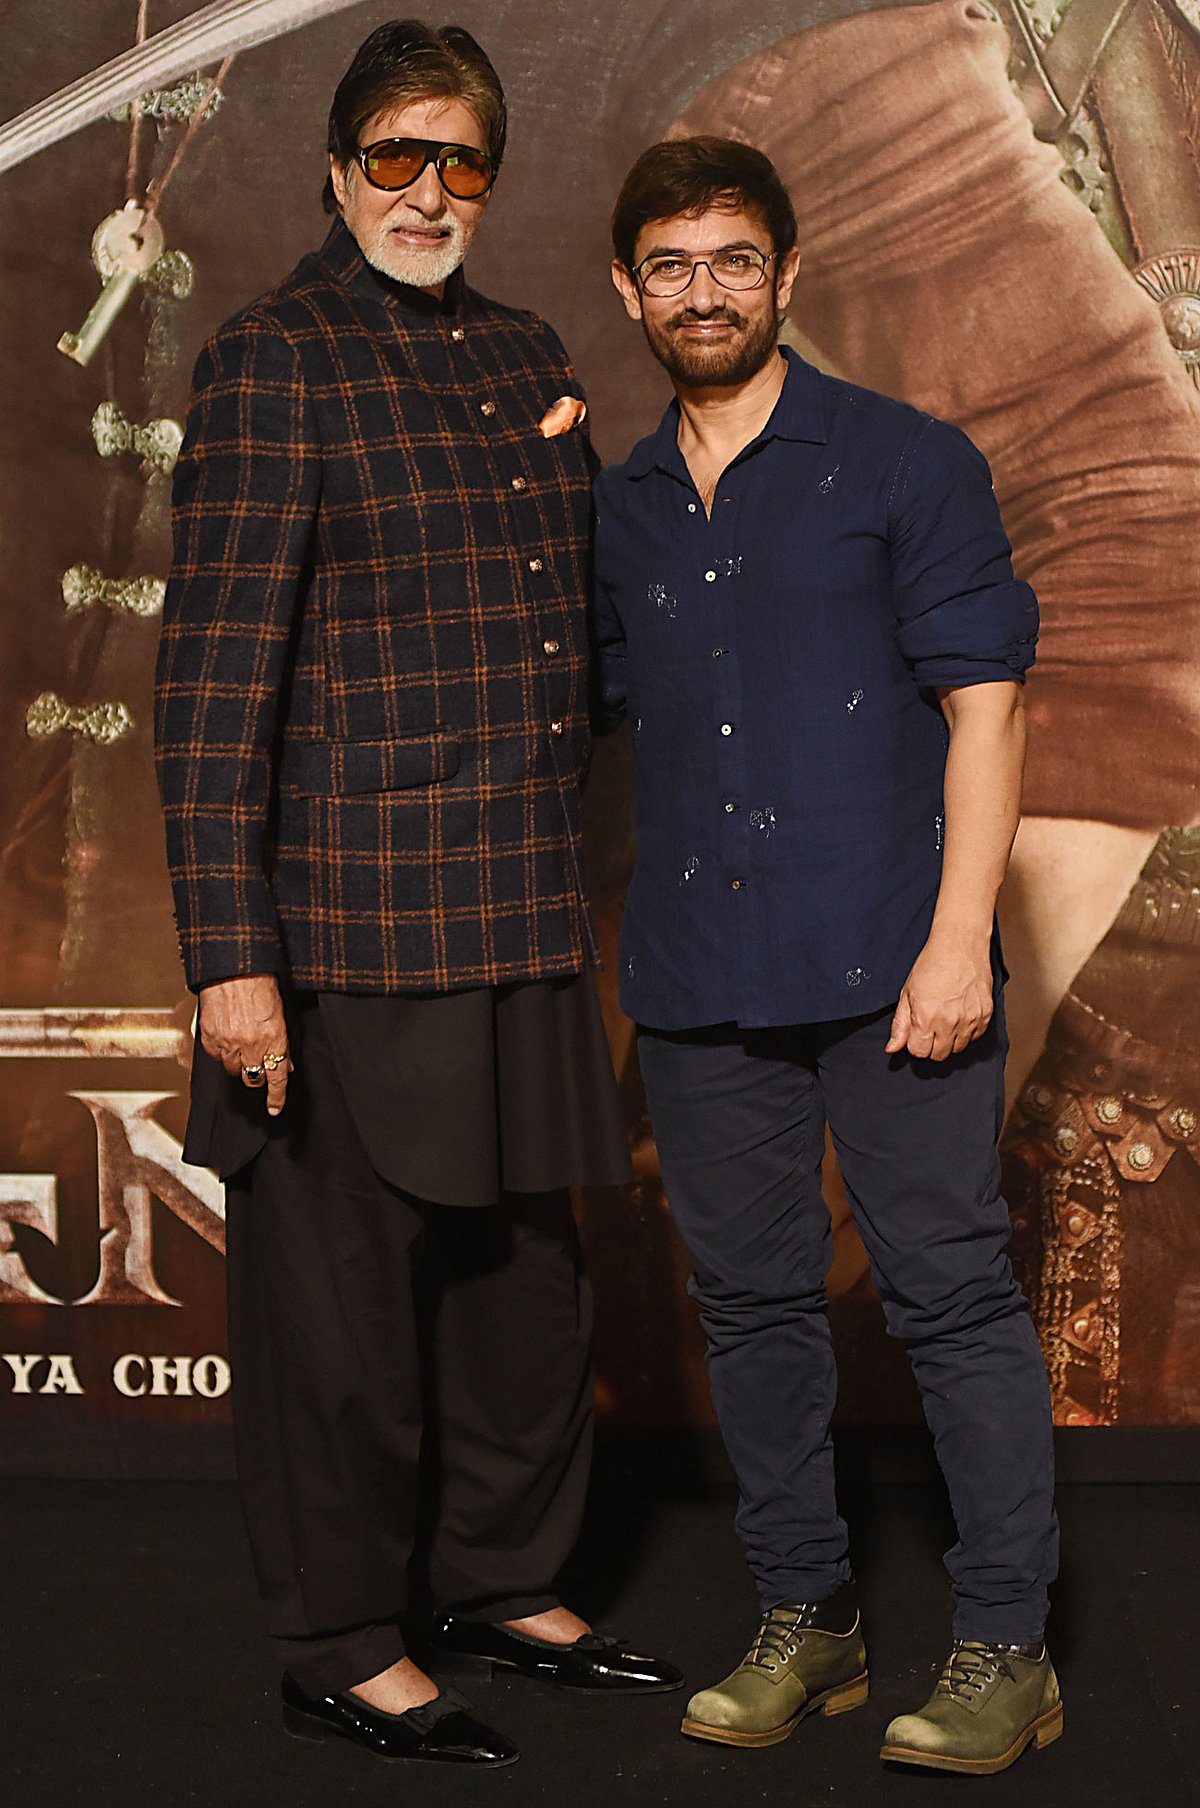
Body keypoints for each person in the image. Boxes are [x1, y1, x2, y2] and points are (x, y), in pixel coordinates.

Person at [153, 18, 679, 1770]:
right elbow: (215, 690)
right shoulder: (270, 358)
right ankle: (337, 1635)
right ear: (336, 168)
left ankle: (498, 1582)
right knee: (344, 1321)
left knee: (530, 1297)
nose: (430, 190)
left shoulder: (530, 348)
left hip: (523, 909)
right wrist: (235, 965)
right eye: (398, 156)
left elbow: (571, 630)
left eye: (462, 160)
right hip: (351, 931)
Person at [593, 135, 1061, 1775]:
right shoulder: (619, 505)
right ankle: (812, 1618)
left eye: (734, 259)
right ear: (629, 290)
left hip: (890, 958)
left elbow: (986, 709)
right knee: (752, 1304)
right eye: (672, 263)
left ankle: (1010, 1643)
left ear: (788, 277)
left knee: (949, 1295)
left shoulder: (904, 461)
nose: (703, 289)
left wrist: (958, 945)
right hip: (701, 976)